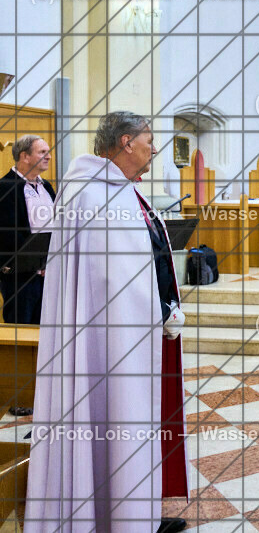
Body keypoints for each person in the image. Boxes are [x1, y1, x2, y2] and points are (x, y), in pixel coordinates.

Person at [25, 112, 189, 533]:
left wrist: (165, 306)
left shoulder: (121, 192)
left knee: (130, 423)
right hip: (109, 341)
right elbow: (108, 280)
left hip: (134, 333)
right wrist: (154, 312)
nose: (154, 149)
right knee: (112, 419)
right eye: (150, 141)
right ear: (126, 141)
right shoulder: (92, 194)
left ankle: (136, 518)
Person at [0, 135, 55, 326]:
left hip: (49, 275)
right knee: (21, 329)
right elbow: (7, 233)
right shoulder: (4, 187)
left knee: (47, 331)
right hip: (20, 277)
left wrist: (50, 262)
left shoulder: (47, 186)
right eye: (42, 152)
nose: (48, 156)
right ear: (24, 156)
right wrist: (35, 263)